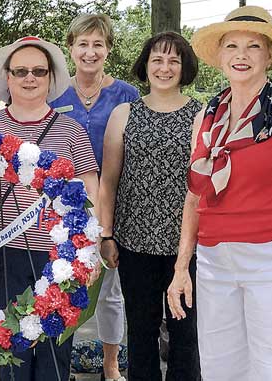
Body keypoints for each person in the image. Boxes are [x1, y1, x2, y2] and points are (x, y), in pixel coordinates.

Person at [167, 6, 272, 380]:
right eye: (232, 46)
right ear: (219, 55)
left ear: (269, 56)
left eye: (253, 46)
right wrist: (181, 266)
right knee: (222, 365)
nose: (241, 55)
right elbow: (195, 196)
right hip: (214, 260)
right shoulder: (207, 113)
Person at [0, 36, 100, 381]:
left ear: (50, 77)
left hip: (59, 259)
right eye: (20, 71)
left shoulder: (71, 130)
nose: (29, 78)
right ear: (7, 78)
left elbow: (92, 195)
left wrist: (92, 252)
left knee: (54, 358)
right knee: (13, 358)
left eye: (39, 71)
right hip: (2, 252)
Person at [99, 32, 202, 380]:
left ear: (184, 67)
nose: (165, 67)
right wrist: (107, 234)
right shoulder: (124, 113)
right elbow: (109, 180)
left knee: (185, 336)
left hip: (186, 249)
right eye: (157, 59)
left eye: (174, 60)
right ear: (145, 65)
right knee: (140, 334)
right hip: (134, 244)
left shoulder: (201, 117)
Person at [49, 14, 138, 381]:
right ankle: (58, 363)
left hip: (113, 206)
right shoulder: (54, 93)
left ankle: (111, 365)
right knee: (59, 283)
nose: (90, 51)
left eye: (98, 44)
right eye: (82, 44)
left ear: (109, 49)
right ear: (70, 48)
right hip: (61, 207)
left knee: (109, 292)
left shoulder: (127, 95)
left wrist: (108, 223)